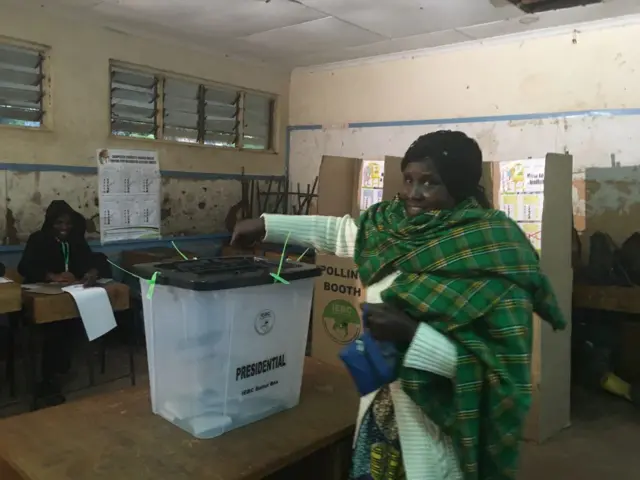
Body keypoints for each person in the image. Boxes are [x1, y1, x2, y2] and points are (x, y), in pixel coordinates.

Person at [232, 130, 567, 480]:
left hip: (436, 429)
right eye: (408, 179)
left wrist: (412, 335)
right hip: (380, 409)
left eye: (429, 182)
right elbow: (342, 233)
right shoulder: (392, 226)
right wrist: (266, 224)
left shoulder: (492, 249)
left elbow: (491, 369)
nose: (413, 194)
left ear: (459, 185)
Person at [18, 200, 100, 406]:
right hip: (41, 299)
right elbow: (24, 267)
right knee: (54, 329)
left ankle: (57, 372)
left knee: (70, 324)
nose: (65, 228)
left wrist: (91, 272)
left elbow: (92, 261)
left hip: (69, 298)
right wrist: (52, 276)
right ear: (50, 222)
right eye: (59, 223)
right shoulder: (38, 239)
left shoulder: (76, 240)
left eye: (68, 223)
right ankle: (47, 381)